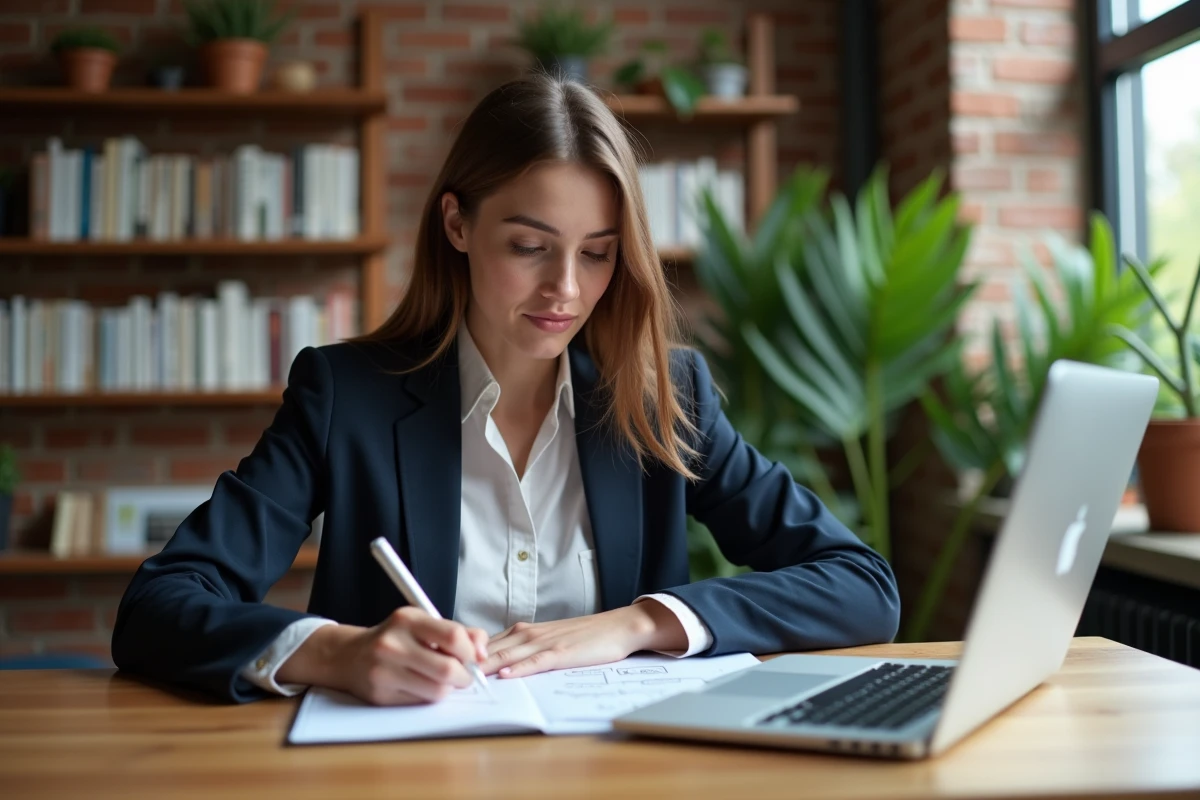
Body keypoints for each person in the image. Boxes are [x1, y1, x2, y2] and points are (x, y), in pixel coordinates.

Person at [112, 74, 900, 705]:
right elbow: (160, 606)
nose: (565, 288)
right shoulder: (345, 395)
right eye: (530, 246)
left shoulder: (667, 398)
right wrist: (335, 652)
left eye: (597, 253)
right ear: (457, 224)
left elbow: (861, 586)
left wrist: (639, 623)